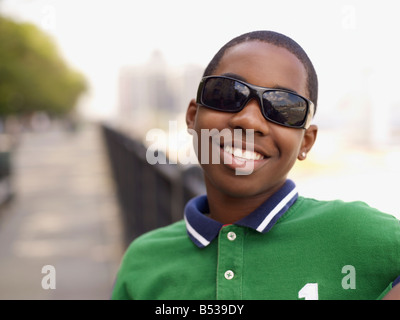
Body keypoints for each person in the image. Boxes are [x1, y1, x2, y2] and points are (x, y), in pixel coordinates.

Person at [111, 30, 400, 300]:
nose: (248, 121)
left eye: (283, 107)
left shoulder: (353, 232)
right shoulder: (143, 261)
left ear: (306, 143)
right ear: (192, 116)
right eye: (227, 94)